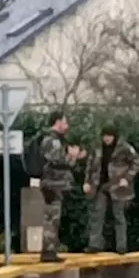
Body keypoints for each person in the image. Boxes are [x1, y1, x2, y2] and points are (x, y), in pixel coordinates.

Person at [83, 126, 139, 254]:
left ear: (114, 136)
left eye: (109, 136)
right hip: (100, 185)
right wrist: (87, 182)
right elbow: (90, 165)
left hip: (117, 186)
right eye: (104, 136)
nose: (106, 139)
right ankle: (94, 244)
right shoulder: (97, 148)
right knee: (97, 215)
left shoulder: (124, 148)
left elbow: (136, 162)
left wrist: (127, 178)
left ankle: (121, 246)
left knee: (118, 216)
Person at [38, 110, 85, 262]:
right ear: (57, 122)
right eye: (64, 122)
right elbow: (58, 161)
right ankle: (48, 251)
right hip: (52, 184)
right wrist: (72, 155)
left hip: (55, 184)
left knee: (53, 218)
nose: (67, 125)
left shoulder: (56, 140)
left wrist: (74, 156)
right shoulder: (52, 140)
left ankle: (50, 249)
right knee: (51, 218)